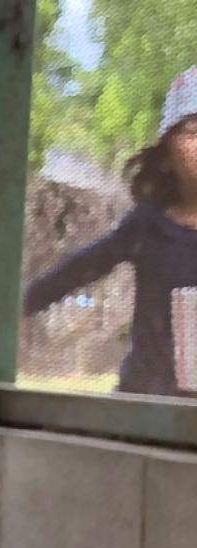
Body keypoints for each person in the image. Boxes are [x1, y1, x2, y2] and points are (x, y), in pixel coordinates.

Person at [25, 69, 197, 396]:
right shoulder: (148, 226)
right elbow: (80, 269)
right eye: (193, 132)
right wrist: (16, 307)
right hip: (146, 403)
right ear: (166, 156)